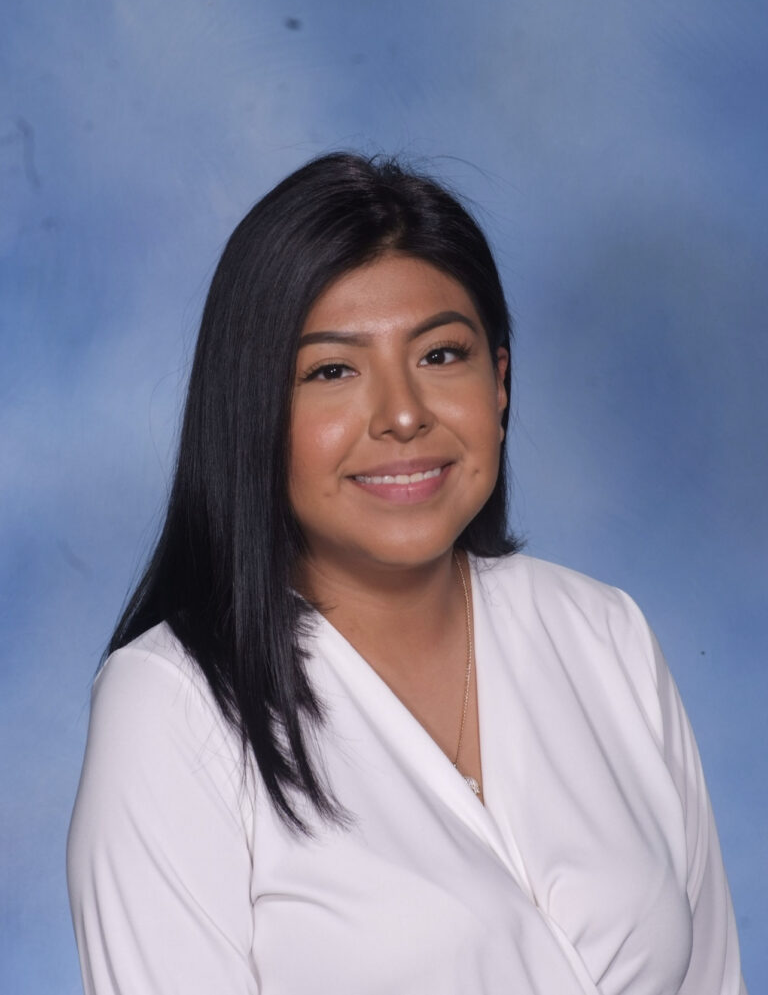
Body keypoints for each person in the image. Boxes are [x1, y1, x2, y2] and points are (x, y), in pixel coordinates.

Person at [67, 152, 747, 995]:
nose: (401, 414)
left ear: (499, 382)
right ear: (253, 414)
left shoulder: (606, 634)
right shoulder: (174, 707)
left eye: (441, 355)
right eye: (332, 370)